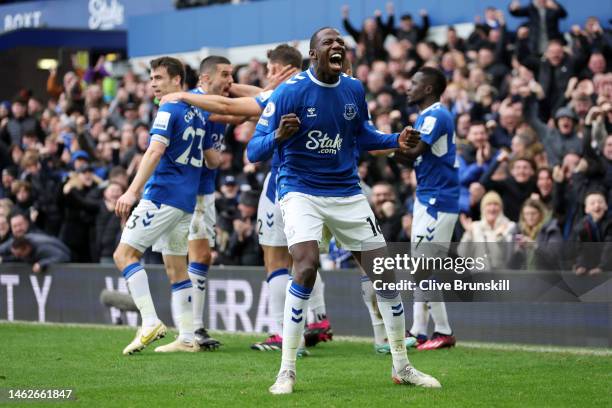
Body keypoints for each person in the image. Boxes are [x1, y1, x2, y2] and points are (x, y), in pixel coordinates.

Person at [249, 27, 438, 394]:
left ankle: (402, 366)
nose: (337, 46)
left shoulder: (353, 88)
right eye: (328, 43)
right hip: (300, 190)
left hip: (347, 192)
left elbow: (363, 135)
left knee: (384, 274)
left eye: (341, 43)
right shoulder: (289, 92)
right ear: (313, 54)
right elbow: (254, 150)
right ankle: (286, 371)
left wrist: (394, 140)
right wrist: (279, 137)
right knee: (304, 266)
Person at [162, 45, 334, 352]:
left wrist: (184, 94)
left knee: (277, 259)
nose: (232, 80)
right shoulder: (320, 92)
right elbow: (251, 98)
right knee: (305, 256)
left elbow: (235, 107)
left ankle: (280, 333)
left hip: (282, 182)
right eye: (226, 75)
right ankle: (318, 318)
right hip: (319, 186)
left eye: (269, 70)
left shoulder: (272, 96)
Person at [112, 57, 220, 355]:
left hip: (162, 195)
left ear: (177, 81)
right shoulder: (199, 111)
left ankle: (149, 321)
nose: (152, 83)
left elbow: (155, 150)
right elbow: (213, 158)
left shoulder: (169, 107)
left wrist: (131, 192)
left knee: (124, 254)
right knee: (176, 268)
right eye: (151, 78)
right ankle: (187, 337)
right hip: (186, 202)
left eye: (159, 77)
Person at [395, 67, 459, 350]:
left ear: (429, 89)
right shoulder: (424, 117)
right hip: (426, 198)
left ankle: (443, 331)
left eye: (414, 83)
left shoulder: (436, 115)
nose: (408, 88)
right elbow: (408, 159)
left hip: (438, 200)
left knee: (423, 266)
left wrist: (378, 143)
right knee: (420, 266)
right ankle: (419, 331)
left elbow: (414, 151)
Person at [185, 56, 233, 350]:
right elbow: (213, 158)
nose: (230, 81)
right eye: (225, 75)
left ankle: (191, 326)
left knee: (198, 258)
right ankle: (190, 327)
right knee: (195, 257)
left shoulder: (215, 107)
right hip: (188, 193)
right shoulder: (195, 106)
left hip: (202, 191)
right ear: (205, 78)